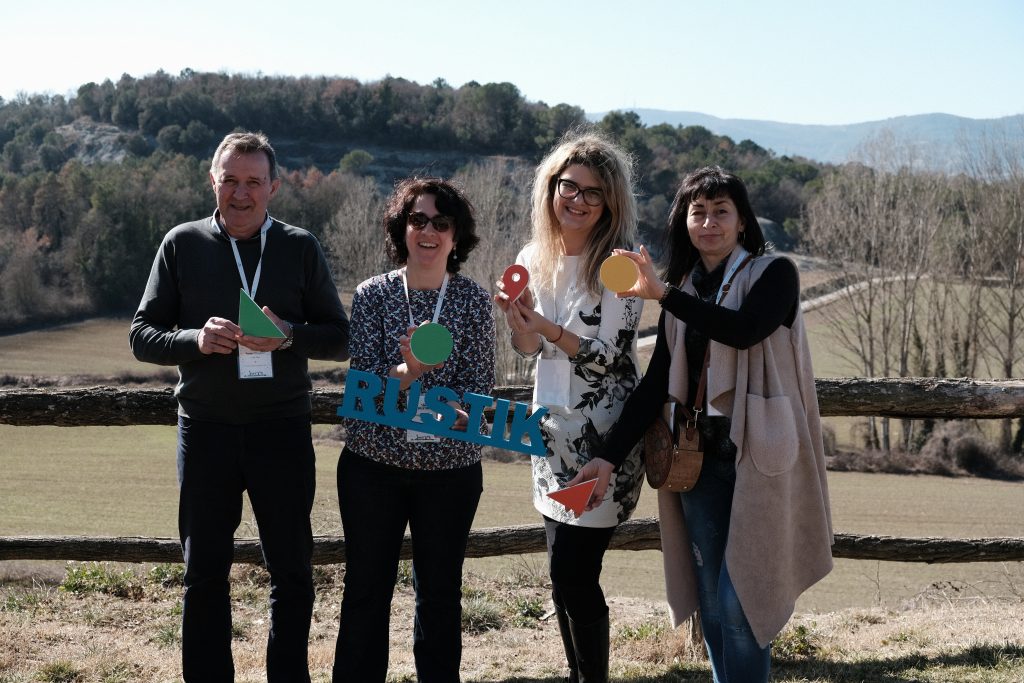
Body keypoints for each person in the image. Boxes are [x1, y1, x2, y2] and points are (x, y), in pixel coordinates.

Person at [570, 166, 833, 682]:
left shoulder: (774, 273)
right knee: (711, 599)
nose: (709, 222)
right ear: (684, 222)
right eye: (698, 212)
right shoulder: (687, 287)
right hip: (697, 461)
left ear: (741, 222)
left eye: (721, 212)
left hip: (761, 456)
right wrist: (607, 453)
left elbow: (743, 331)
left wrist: (663, 295)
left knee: (742, 605)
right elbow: (656, 383)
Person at [129, 131, 349, 682]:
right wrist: (193, 341)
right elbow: (141, 335)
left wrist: (290, 334)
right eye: (231, 179)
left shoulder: (299, 246)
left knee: (292, 573)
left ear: (274, 186)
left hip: (282, 431)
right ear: (213, 181)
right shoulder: (181, 243)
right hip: (205, 432)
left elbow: (339, 336)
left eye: (254, 181)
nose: (242, 193)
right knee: (203, 574)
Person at [494, 130, 645, 683]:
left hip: (603, 442)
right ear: (550, 188)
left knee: (575, 573)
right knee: (564, 576)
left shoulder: (621, 267)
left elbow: (610, 359)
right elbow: (528, 349)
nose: (577, 200)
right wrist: (521, 323)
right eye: (568, 186)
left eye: (592, 193)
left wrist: (548, 328)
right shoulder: (533, 256)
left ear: (611, 203)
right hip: (548, 436)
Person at [332, 177, 495, 683]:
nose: (428, 231)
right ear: (401, 228)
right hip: (372, 470)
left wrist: (471, 419)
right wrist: (411, 373)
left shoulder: (472, 299)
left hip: (449, 474)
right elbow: (364, 397)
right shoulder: (373, 296)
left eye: (441, 223)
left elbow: (479, 393)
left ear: (455, 236)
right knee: (364, 591)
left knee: (441, 594)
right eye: (417, 219)